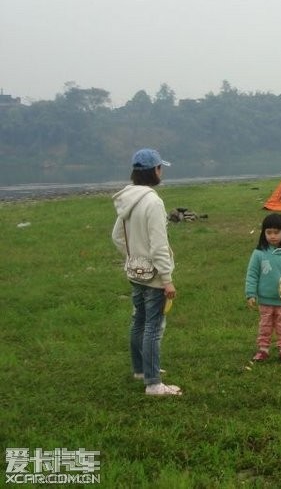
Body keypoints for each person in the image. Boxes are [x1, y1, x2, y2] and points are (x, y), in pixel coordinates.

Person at [112, 148, 181, 396]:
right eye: (160, 168)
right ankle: (153, 383)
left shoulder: (127, 198)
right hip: (153, 276)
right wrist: (167, 279)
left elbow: (117, 236)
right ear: (155, 171)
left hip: (135, 273)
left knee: (138, 321)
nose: (161, 172)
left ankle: (140, 369)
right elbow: (159, 245)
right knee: (153, 326)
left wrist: (133, 258)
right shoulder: (153, 201)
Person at [245, 213, 281, 364]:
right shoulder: (258, 253)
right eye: (269, 232)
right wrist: (250, 294)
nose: (272, 236)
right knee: (265, 324)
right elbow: (252, 275)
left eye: (276, 232)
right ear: (263, 233)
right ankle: (263, 349)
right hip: (265, 299)